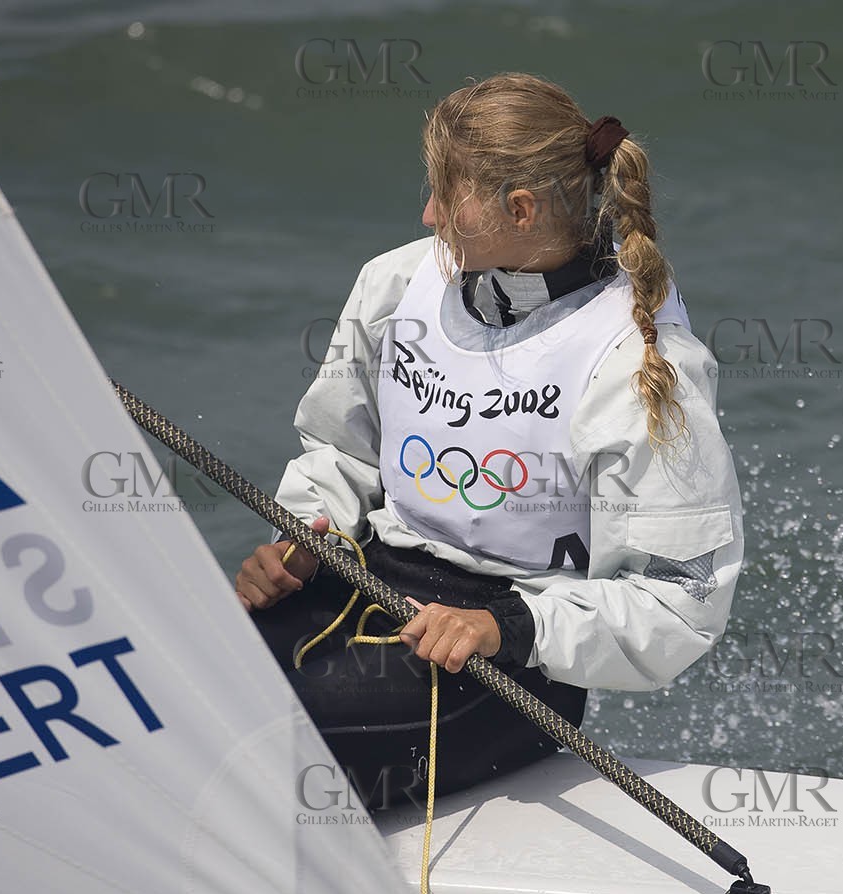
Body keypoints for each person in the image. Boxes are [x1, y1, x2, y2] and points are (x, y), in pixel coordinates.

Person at [236, 72, 744, 807]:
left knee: (258, 754)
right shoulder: (395, 285)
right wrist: (300, 537)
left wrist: (504, 626)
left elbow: (679, 603)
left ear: (522, 209)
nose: (427, 212)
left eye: (447, 194)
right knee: (160, 691)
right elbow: (339, 452)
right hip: (356, 588)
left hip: (505, 660)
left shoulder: (641, 362)